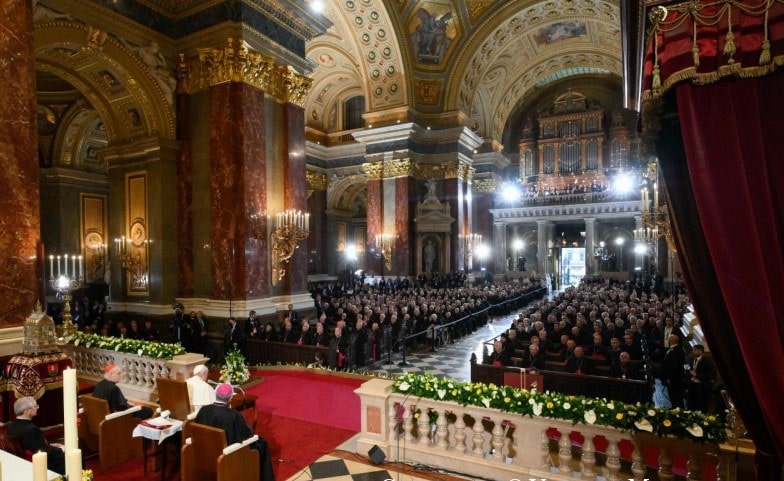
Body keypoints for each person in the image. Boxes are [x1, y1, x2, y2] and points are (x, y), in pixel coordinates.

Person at [195, 383, 275, 481]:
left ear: (216, 395)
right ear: (230, 399)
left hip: (205, 452)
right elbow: (248, 435)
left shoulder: (204, 410)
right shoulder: (233, 415)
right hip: (229, 454)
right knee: (262, 443)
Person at [8, 396, 66, 474]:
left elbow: (34, 445)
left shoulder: (12, 426)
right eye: (35, 406)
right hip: (42, 464)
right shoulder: (31, 429)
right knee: (72, 456)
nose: (37, 408)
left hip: (23, 460)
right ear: (27, 411)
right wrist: (62, 449)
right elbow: (44, 452)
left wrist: (51, 445)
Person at [688, 344, 716, 411]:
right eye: (693, 350)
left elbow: (709, 375)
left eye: (695, 350)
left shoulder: (707, 361)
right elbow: (691, 369)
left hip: (701, 384)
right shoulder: (693, 359)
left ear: (700, 351)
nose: (693, 352)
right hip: (692, 382)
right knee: (691, 401)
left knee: (700, 403)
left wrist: (696, 375)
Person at [662, 334, 686, 409]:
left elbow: (674, 365)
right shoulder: (674, 349)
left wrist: (669, 377)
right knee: (672, 394)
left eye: (668, 339)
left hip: (675, 378)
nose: (667, 340)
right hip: (673, 377)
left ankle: (677, 409)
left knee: (676, 394)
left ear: (671, 340)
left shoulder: (678, 350)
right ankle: (674, 407)